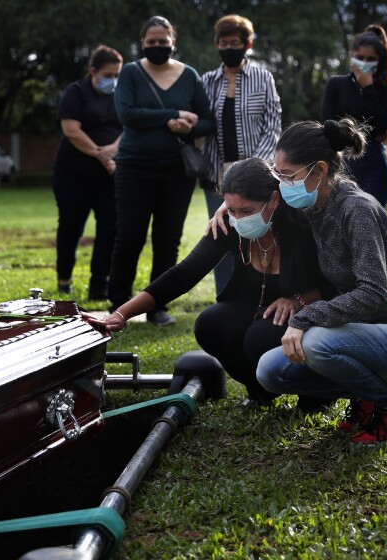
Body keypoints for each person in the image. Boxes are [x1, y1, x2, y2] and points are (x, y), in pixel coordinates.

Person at [252, 118, 387, 445]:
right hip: (362, 336)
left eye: (288, 175)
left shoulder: (356, 210)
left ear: (320, 170)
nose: (282, 184)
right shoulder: (313, 205)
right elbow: (258, 199)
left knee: (313, 343)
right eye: (277, 174)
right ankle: (366, 398)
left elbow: (373, 294)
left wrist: (305, 317)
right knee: (270, 371)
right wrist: (228, 205)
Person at [90, 158, 333, 408]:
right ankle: (260, 392)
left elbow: (336, 284)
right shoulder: (228, 223)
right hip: (255, 304)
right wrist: (122, 313)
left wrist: (299, 300)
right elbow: (183, 274)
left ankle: (316, 396)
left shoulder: (303, 225)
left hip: (309, 309)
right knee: (210, 324)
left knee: (259, 337)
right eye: (231, 208)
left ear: (273, 200)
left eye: (247, 211)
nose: (238, 218)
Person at [108, 15, 213, 326]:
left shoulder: (190, 75)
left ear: (173, 43)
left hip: (177, 172)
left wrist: (188, 124)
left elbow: (207, 121)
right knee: (130, 236)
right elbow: (127, 114)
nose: (157, 46)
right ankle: (118, 301)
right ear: (143, 43)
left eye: (163, 42)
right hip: (134, 168)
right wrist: (172, 114)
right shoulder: (130, 73)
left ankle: (158, 306)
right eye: (151, 42)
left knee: (168, 239)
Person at [200, 14, 282, 295]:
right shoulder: (207, 80)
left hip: (256, 173)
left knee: (256, 234)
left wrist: (253, 167)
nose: (227, 48)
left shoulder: (263, 77)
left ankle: (257, 293)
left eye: (233, 43)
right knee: (221, 235)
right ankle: (226, 296)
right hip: (216, 174)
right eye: (222, 43)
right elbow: (201, 123)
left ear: (246, 44)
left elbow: (272, 124)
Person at [52, 45, 123, 300]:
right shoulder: (76, 92)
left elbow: (128, 127)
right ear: (93, 71)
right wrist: (101, 154)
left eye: (117, 75)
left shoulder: (120, 95)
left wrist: (113, 150)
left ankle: (99, 286)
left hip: (109, 176)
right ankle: (64, 280)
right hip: (73, 175)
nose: (113, 80)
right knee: (71, 228)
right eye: (108, 75)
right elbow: (72, 131)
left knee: (109, 229)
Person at [321, 25, 387, 209]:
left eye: (370, 59)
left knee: (375, 218)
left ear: (379, 60)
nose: (364, 62)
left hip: (374, 162)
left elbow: (381, 126)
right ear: (352, 56)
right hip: (341, 159)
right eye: (360, 57)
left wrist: (369, 88)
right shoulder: (336, 84)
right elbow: (328, 123)